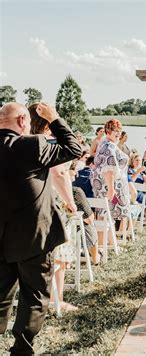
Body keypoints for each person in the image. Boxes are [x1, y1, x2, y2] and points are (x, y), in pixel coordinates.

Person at [0, 102, 81, 354]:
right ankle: (22, 350)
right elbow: (74, 148)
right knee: (34, 298)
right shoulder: (32, 145)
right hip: (34, 238)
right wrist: (54, 118)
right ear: (23, 120)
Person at [29, 105, 80, 312]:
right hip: (55, 201)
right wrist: (71, 202)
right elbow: (60, 174)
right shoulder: (50, 142)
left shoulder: (25, 142)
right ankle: (56, 299)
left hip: (34, 202)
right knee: (60, 250)